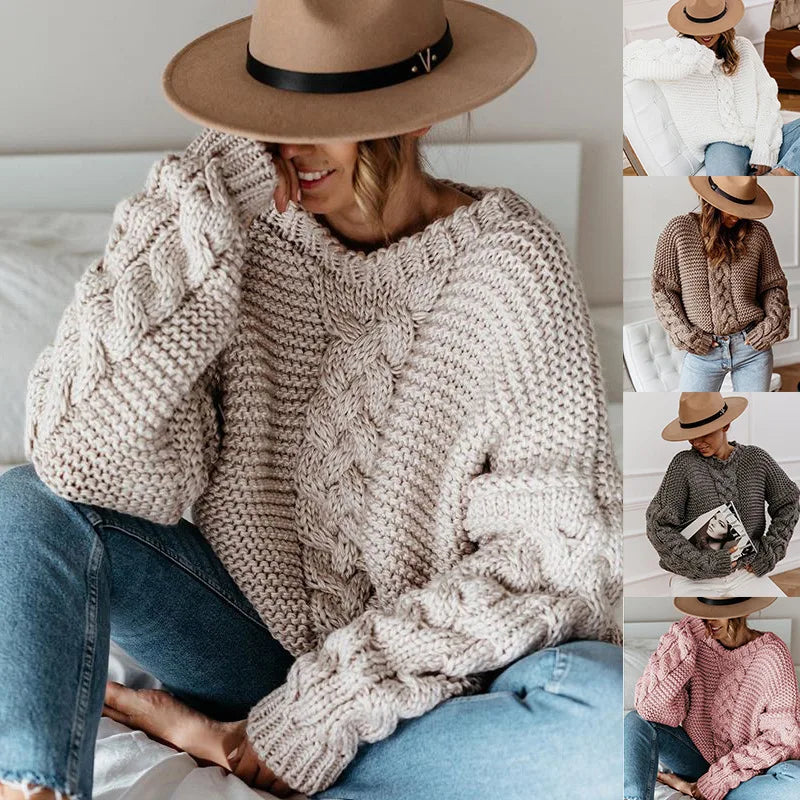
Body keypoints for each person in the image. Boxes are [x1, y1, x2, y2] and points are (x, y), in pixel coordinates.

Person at [0, 3, 622, 800]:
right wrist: (210, 186)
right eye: (273, 117)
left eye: (323, 119)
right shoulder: (232, 237)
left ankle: (241, 749)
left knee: (610, 718)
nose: (291, 147)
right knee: (27, 502)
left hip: (422, 688)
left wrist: (323, 711)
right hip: (240, 644)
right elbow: (76, 459)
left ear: (410, 115)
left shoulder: (513, 264)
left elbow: (560, 561)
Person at [624, 596, 800, 800]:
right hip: (696, 760)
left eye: (718, 613)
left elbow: (785, 737)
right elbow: (649, 708)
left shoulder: (773, 654)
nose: (710, 620)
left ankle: (701, 790)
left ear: (743, 611)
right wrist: (686, 631)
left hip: (748, 775)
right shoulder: (692, 644)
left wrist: (719, 779)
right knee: (636, 720)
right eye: (704, 613)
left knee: (796, 781)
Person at [646, 392, 799, 596]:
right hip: (695, 578)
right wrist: (705, 563)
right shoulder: (684, 465)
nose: (696, 442)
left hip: (746, 571)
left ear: (725, 425)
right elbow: (658, 526)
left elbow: (789, 502)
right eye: (691, 434)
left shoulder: (756, 459)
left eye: (704, 433)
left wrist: (770, 550)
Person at [622, 0, 800, 175]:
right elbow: (627, 59)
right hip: (724, 145)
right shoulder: (677, 57)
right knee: (724, 185)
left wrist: (764, 150)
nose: (706, 33)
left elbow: (767, 97)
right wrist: (694, 54)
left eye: (712, 25)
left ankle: (786, 172)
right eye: (699, 27)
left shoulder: (743, 47)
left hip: (760, 136)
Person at [651, 176, 789, 392]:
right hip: (704, 351)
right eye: (731, 207)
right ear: (712, 201)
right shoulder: (679, 230)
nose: (738, 215)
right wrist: (685, 333)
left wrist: (772, 323)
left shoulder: (757, 234)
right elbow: (663, 289)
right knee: (691, 409)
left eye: (744, 208)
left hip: (751, 348)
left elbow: (773, 286)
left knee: (753, 409)